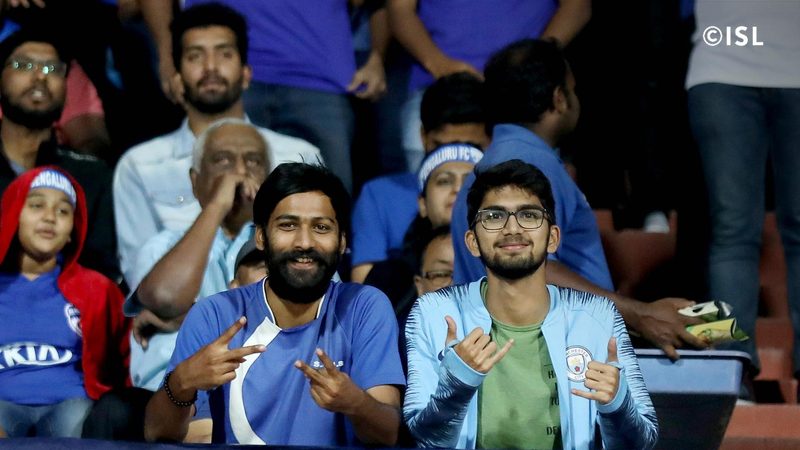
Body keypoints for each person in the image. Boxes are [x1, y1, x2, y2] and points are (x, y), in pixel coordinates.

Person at [451, 39, 707, 360]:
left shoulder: (494, 164)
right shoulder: (525, 164)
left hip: (524, 353)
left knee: (713, 325)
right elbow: (526, 268)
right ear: (559, 99)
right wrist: (640, 314)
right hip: (538, 364)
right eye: (573, 89)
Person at [143, 162, 404, 445]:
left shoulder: (364, 307)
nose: (304, 242)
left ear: (342, 241)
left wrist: (356, 403)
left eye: (321, 227)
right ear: (261, 237)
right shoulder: (214, 315)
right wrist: (181, 383)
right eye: (287, 225)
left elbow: (388, 433)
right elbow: (157, 434)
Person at [405, 160, 658, 449]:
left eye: (529, 215)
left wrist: (617, 406)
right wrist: (456, 385)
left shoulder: (598, 316)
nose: (512, 228)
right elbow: (425, 438)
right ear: (472, 242)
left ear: (553, 238)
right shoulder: (435, 313)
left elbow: (642, 443)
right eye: (494, 216)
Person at [114, 3, 321, 286]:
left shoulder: (299, 157)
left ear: (246, 74)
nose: (210, 67)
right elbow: (142, 279)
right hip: (182, 307)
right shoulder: (139, 165)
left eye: (224, 54)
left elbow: (319, 266)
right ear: (176, 77)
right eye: (195, 56)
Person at [142, 0, 391, 193]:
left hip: (320, 77)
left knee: (328, 206)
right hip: (225, 73)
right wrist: (167, 55)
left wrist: (377, 56)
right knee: (209, 195)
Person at [687, 0, 800, 389]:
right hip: (720, 66)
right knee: (729, 230)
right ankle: (729, 370)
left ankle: (730, 372)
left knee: (736, 231)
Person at [0, 167, 130, 437]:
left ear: (72, 230)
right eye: (37, 205)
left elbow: (123, 362)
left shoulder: (97, 289)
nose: (50, 217)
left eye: (63, 211)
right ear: (12, 214)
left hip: (72, 405)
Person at [388, 0, 591, 170]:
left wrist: (531, 61)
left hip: (524, 91)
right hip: (439, 85)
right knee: (432, 183)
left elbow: (578, 6)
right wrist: (440, 65)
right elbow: (399, 9)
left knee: (532, 185)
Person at [0, 28, 118, 280]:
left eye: (53, 69)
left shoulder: (92, 176)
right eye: (23, 65)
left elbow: (100, 272)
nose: (40, 76)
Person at [350, 72, 488, 283]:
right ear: (423, 137)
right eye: (443, 147)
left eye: (469, 147)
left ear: (490, 141)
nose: (454, 157)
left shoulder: (506, 202)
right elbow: (364, 289)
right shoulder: (378, 195)